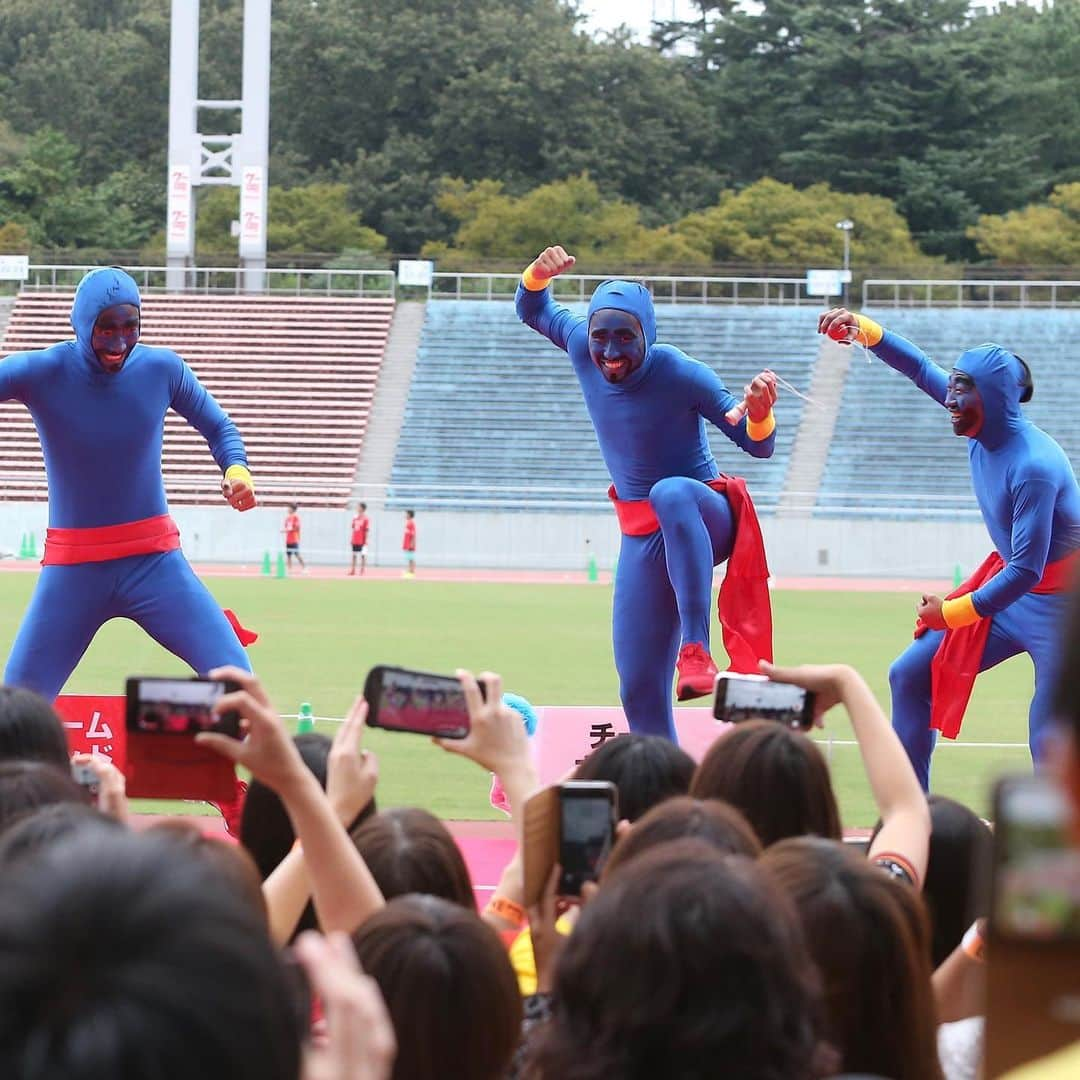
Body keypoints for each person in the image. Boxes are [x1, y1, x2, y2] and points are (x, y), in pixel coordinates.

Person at [516, 246, 778, 740]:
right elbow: (533, 308)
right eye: (602, 338)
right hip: (642, 534)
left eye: (625, 338)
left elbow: (756, 445)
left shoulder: (681, 373)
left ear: (648, 335)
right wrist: (538, 274)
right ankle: (666, 791)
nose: (611, 353)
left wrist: (760, 411)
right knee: (637, 688)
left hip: (703, 515)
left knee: (670, 492)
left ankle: (696, 650)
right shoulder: (579, 345)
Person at [819, 308, 1080, 789]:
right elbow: (919, 367)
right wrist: (866, 330)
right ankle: (911, 812)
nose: (951, 400)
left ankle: (1060, 852)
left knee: (1051, 739)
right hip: (1013, 593)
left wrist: (952, 612)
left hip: (1064, 610)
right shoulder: (982, 423)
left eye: (964, 389)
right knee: (911, 674)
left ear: (999, 398)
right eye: (954, 386)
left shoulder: (1035, 465)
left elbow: (1025, 568)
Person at [0, 267, 257, 702]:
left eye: (130, 327)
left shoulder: (162, 368)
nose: (119, 342)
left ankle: (239, 771)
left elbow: (220, 427)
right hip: (73, 568)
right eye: (106, 328)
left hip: (155, 563)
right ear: (82, 323)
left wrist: (237, 470)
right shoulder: (42, 370)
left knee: (240, 687)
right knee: (16, 714)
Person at [282, 502, 306, 573]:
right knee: (288, 555)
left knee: (297, 554)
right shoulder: (287, 518)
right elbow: (286, 527)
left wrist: (289, 529)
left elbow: (297, 528)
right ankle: (289, 569)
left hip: (294, 539)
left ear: (293, 509)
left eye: (289, 508)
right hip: (288, 539)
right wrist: (286, 530)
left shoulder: (296, 518)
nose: (288, 509)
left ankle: (304, 568)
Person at [350, 501, 370, 575]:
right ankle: (353, 570)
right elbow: (353, 527)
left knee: (363, 555)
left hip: (362, 540)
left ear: (362, 508)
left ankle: (362, 570)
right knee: (354, 555)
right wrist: (352, 539)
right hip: (355, 539)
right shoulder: (355, 517)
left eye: (358, 506)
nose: (357, 508)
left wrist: (366, 540)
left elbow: (367, 530)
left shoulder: (366, 519)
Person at [402, 509, 416, 578]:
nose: (405, 515)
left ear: (409, 515)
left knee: (411, 558)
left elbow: (413, 534)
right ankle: (410, 570)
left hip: (410, 544)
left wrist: (412, 543)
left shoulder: (411, 523)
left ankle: (412, 571)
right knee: (409, 558)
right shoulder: (408, 523)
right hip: (407, 544)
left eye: (406, 514)